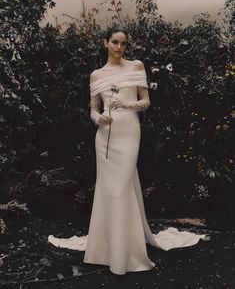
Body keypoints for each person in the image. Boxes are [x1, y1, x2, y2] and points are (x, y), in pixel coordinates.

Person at [48, 26, 210, 275]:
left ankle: (127, 253)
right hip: (105, 137)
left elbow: (146, 102)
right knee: (109, 189)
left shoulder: (136, 66)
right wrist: (97, 119)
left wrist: (125, 103)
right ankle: (107, 248)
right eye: (114, 42)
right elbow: (93, 108)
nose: (119, 47)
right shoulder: (96, 75)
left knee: (121, 187)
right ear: (105, 43)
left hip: (129, 133)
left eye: (123, 43)